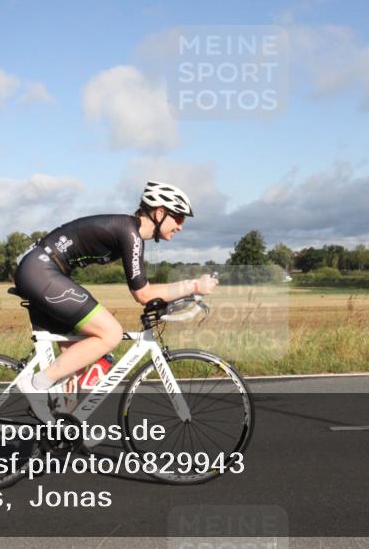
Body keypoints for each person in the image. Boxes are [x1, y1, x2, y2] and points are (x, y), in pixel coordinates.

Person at [12, 180, 218, 421]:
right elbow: (143, 293)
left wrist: (176, 297)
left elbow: (146, 292)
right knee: (111, 333)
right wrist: (193, 285)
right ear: (160, 213)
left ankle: (65, 429)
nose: (181, 227)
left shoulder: (129, 232)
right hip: (40, 271)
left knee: (74, 365)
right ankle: (35, 385)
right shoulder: (129, 232)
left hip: (41, 270)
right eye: (179, 218)